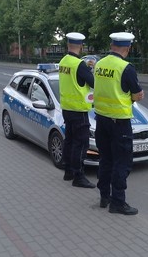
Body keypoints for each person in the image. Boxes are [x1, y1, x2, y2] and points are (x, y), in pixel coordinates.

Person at [93, 32, 144, 214]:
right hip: (120, 123)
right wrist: (135, 97)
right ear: (127, 48)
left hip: (101, 119)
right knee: (122, 162)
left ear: (112, 45)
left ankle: (104, 196)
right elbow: (136, 94)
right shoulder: (126, 68)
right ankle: (118, 202)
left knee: (105, 159)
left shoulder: (99, 64)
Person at [59, 32, 96, 188]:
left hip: (66, 108)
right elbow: (93, 83)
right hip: (79, 110)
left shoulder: (63, 61)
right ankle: (79, 176)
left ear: (68, 45)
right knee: (80, 144)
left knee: (69, 140)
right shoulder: (79, 64)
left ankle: (68, 171)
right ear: (81, 46)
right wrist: (91, 69)